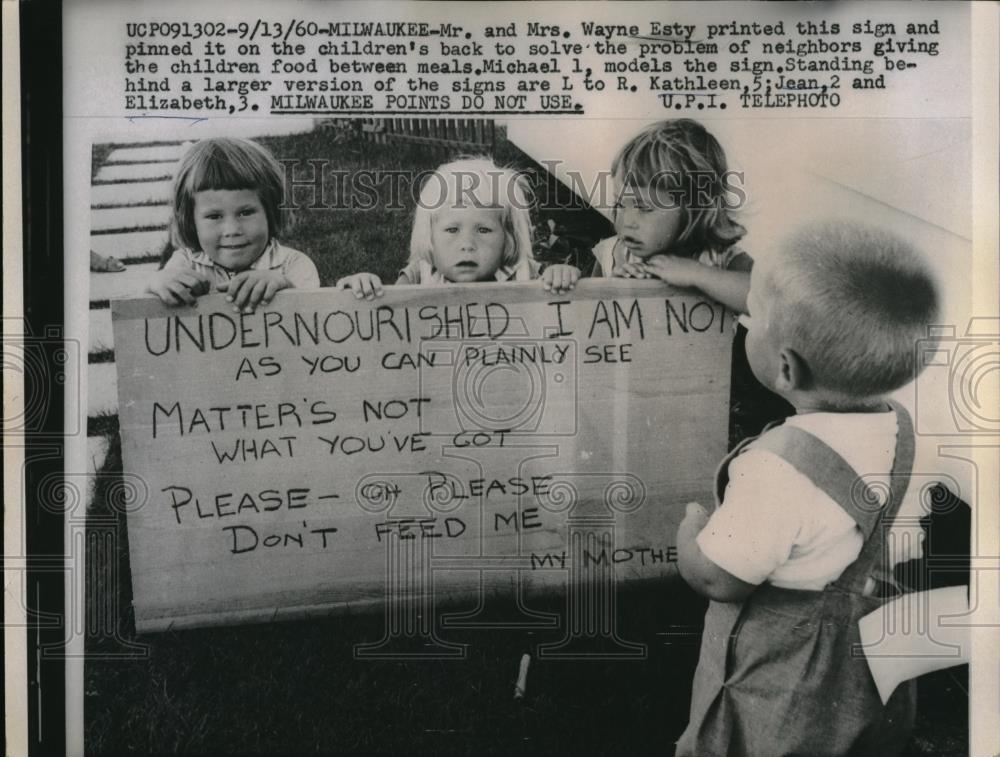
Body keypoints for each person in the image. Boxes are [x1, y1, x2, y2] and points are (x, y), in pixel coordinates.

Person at [674, 220, 941, 757]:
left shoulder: (778, 468)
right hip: (863, 666)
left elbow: (720, 579)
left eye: (750, 319)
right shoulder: (906, 432)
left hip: (779, 677)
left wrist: (691, 533)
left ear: (786, 368)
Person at [336, 157, 580, 297]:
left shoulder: (527, 274)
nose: (467, 245)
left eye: (483, 230)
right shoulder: (419, 276)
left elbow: (576, 301)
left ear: (509, 239)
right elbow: (387, 311)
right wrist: (363, 285)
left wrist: (561, 274)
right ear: (429, 236)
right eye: (452, 230)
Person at [592, 119, 751, 314]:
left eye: (645, 208)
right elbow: (587, 313)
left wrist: (699, 274)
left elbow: (767, 301)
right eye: (620, 204)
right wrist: (613, 290)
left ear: (695, 207)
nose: (626, 223)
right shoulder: (614, 254)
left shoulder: (721, 259)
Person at [147, 137, 319, 312]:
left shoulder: (294, 264)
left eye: (245, 213)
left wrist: (285, 286)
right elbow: (153, 309)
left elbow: (315, 318)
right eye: (214, 216)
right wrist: (157, 282)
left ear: (270, 211)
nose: (232, 230)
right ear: (190, 221)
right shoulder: (185, 263)